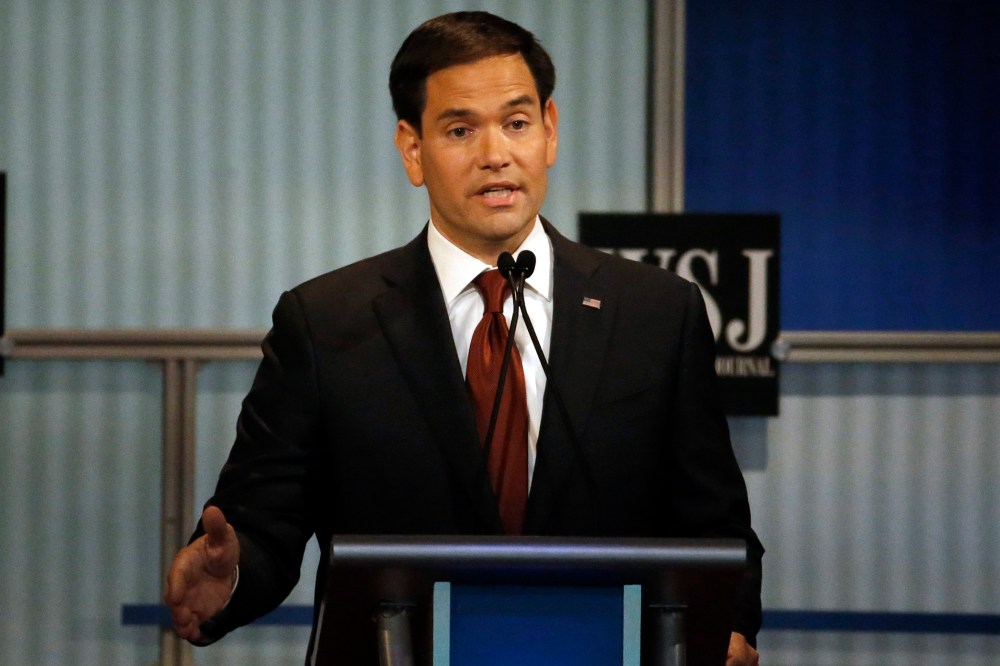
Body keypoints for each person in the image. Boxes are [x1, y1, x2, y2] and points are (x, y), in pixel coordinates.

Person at [166, 11, 763, 665]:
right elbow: (264, 519)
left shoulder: (656, 313)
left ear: (550, 130)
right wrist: (229, 578)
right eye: (459, 129)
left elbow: (715, 524)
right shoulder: (326, 322)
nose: (495, 154)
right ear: (412, 148)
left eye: (516, 122)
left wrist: (729, 625)